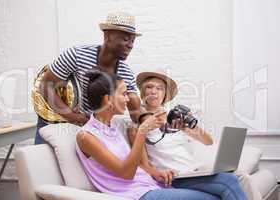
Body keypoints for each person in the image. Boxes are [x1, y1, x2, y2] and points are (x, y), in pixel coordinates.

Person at [76, 71, 221, 200]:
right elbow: (127, 173)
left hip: (152, 184)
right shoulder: (86, 136)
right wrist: (142, 131)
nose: (128, 100)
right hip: (136, 193)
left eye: (159, 89)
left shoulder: (113, 126)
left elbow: (137, 165)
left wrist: (156, 173)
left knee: (223, 188)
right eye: (124, 94)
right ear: (108, 100)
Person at [127, 69, 247, 200]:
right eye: (149, 87)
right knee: (229, 181)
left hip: (194, 171)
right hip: (175, 176)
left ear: (165, 94)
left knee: (240, 178)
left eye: (159, 88)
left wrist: (186, 127)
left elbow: (208, 141)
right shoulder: (137, 124)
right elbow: (143, 164)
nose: (154, 91)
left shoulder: (174, 118)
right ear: (142, 92)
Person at [33, 11, 143, 144]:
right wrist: (73, 116)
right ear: (107, 36)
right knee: (43, 162)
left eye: (132, 40)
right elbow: (45, 86)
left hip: (86, 125)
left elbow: (136, 113)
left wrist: (159, 120)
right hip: (52, 115)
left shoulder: (125, 73)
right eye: (125, 39)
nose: (130, 45)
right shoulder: (77, 55)